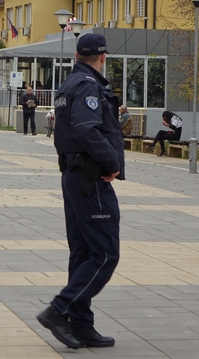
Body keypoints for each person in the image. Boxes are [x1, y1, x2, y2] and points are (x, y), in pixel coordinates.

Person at [37, 33, 122, 349]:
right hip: (90, 179)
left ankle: (82, 325)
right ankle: (60, 310)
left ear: (76, 55)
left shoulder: (68, 84)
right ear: (103, 57)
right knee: (104, 254)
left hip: (73, 176)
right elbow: (87, 129)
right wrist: (111, 161)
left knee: (84, 252)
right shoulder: (87, 86)